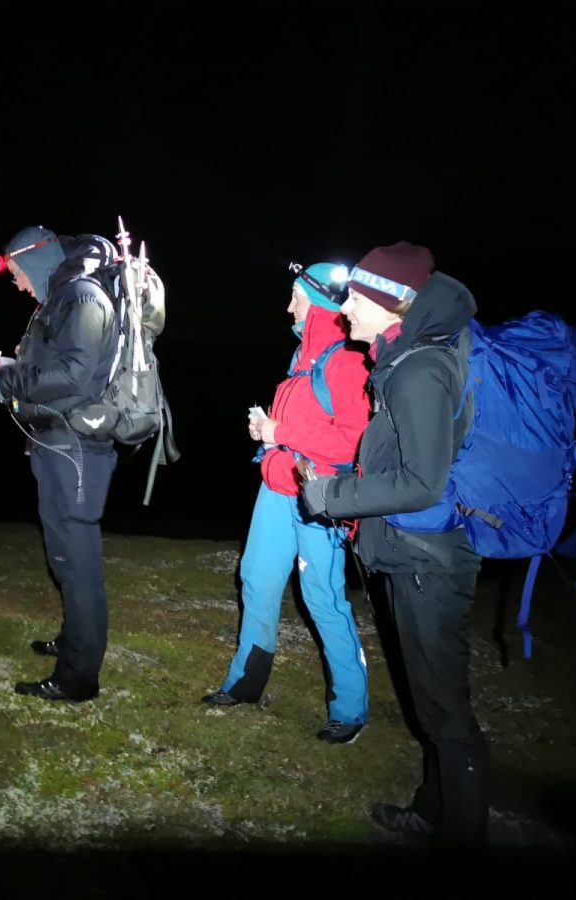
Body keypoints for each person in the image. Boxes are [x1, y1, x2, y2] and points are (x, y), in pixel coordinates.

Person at [300, 242, 489, 844]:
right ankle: (433, 814)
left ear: (392, 304)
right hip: (412, 557)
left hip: (427, 566)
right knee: (432, 705)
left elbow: (421, 482)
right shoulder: (406, 358)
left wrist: (332, 494)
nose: (344, 309)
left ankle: (462, 836)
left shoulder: (420, 370)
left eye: (356, 298)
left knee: (445, 711)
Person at [203, 262, 372, 744]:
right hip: (278, 489)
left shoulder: (349, 360)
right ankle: (244, 683)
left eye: (295, 297)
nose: (288, 306)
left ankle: (350, 708)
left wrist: (283, 432)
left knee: (322, 598)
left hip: (322, 496)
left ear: (318, 303)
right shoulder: (303, 357)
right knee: (256, 578)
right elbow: (298, 428)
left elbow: (353, 442)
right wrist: (268, 433)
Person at [0, 225, 120, 703]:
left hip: (76, 447)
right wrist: (1, 368)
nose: (16, 284)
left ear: (35, 261)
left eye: (16, 273)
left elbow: (75, 375)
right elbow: (50, 365)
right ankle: (74, 639)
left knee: (78, 564)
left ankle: (77, 678)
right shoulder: (64, 295)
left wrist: (1, 384)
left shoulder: (82, 295)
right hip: (59, 442)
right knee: (64, 555)